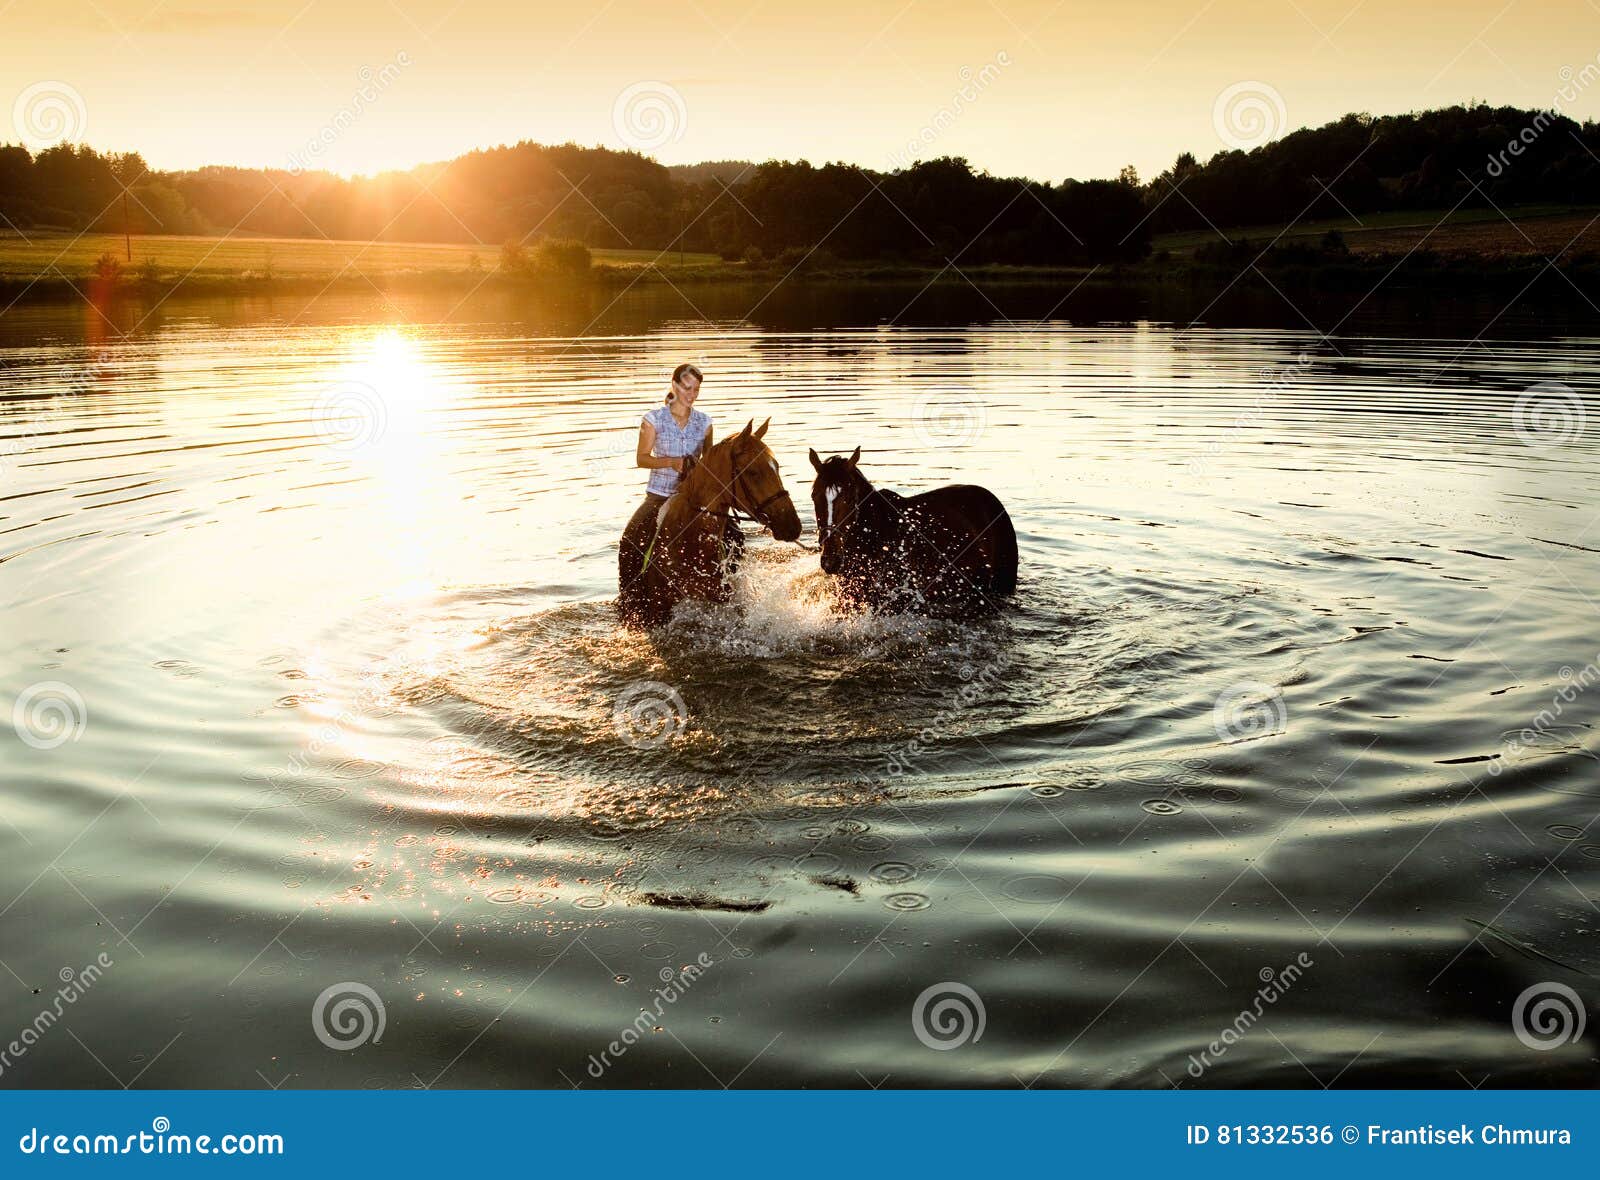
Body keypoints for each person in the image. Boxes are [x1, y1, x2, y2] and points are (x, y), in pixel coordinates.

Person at [617, 364, 743, 615]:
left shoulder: (705, 423)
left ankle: (732, 587)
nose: (692, 394)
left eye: (696, 389)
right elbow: (642, 459)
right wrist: (672, 462)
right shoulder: (652, 420)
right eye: (687, 387)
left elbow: (708, 463)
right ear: (675, 386)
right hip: (659, 495)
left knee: (735, 535)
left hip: (694, 498)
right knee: (630, 541)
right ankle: (629, 600)